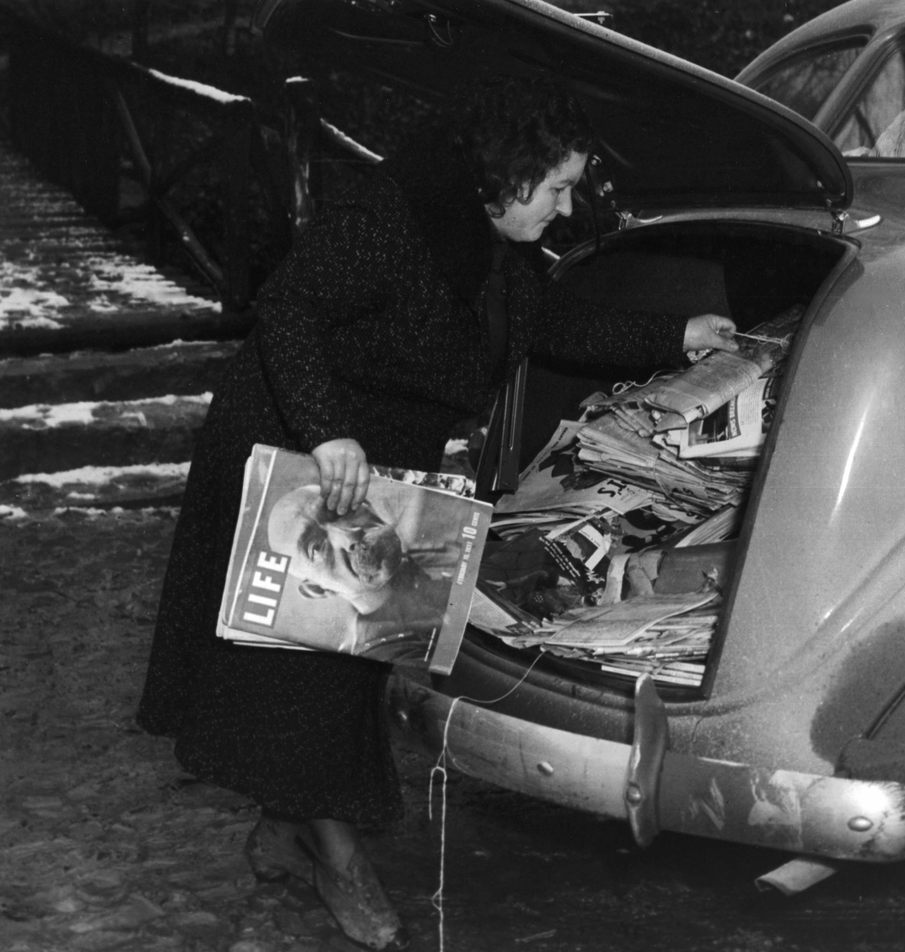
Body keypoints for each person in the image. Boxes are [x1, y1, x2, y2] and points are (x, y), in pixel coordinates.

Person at [136, 74, 737, 951]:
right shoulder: (390, 217)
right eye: (560, 187)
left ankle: (289, 823)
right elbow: (288, 311)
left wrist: (677, 337)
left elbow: (554, 326)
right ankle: (337, 859)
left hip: (379, 474)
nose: (567, 210)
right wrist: (330, 432)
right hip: (302, 449)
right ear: (510, 172)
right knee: (301, 665)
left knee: (346, 659)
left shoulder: (494, 250)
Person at [266, 483, 456, 650]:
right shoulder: (391, 654)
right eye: (316, 548)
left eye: (341, 511)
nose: (349, 534)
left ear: (366, 504)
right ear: (316, 589)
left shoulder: (427, 552)